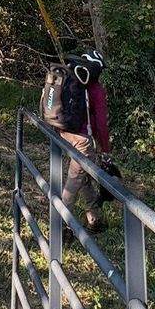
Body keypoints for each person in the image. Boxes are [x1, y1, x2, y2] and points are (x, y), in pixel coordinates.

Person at [60, 50, 110, 234]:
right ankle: (61, 225)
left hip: (65, 134)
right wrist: (105, 149)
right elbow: (102, 124)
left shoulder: (70, 79)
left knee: (83, 177)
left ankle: (95, 219)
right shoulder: (96, 90)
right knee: (73, 183)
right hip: (82, 140)